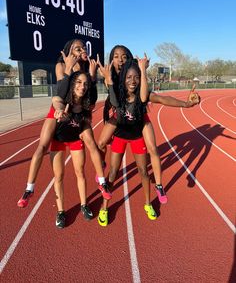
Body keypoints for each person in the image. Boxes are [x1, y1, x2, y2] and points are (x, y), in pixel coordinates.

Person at [97, 45, 200, 206]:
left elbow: (157, 98)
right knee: (102, 143)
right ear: (112, 60)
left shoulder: (136, 78)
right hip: (120, 117)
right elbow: (113, 100)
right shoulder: (111, 77)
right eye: (116, 56)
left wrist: (186, 104)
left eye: (124, 56)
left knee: (151, 150)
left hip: (138, 117)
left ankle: (158, 185)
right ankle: (101, 169)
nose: (120, 59)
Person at [17, 39, 110, 208]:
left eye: (83, 47)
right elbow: (60, 94)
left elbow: (91, 99)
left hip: (78, 113)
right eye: (78, 48)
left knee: (91, 142)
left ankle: (102, 182)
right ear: (69, 51)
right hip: (60, 109)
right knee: (42, 145)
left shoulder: (86, 69)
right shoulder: (61, 65)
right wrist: (68, 68)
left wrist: (93, 76)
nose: (82, 49)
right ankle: (29, 188)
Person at [97, 57, 158, 226]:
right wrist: (108, 79)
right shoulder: (118, 94)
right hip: (120, 138)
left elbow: (152, 96)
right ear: (123, 79)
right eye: (129, 77)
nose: (133, 81)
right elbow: (113, 99)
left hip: (137, 137)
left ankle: (148, 204)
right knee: (112, 173)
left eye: (136, 77)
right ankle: (104, 207)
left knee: (143, 172)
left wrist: (142, 70)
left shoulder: (141, 96)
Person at [51, 70, 96, 228]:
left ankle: (84, 205)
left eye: (85, 84)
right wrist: (59, 112)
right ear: (72, 84)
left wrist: (85, 129)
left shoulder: (85, 105)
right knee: (59, 176)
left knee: (80, 172)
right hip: (58, 141)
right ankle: (61, 211)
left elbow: (86, 121)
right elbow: (55, 100)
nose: (82, 86)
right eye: (78, 82)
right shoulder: (63, 100)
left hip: (75, 140)